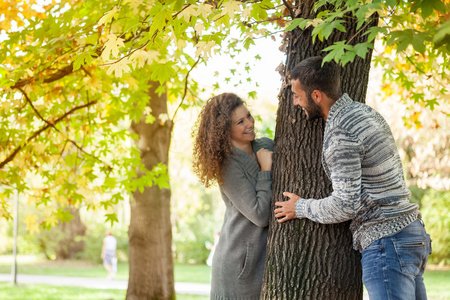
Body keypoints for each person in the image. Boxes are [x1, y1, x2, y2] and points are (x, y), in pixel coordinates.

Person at [274, 56, 432, 300]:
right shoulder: (364, 112)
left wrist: (301, 207)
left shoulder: (341, 133)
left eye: (297, 94)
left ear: (316, 96)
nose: (294, 101)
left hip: (387, 240)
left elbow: (346, 204)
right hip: (410, 234)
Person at [192, 92, 273, 299]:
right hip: (238, 266)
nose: (249, 123)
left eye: (248, 116)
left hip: (261, 261)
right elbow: (259, 215)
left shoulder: (266, 146)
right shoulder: (227, 167)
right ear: (224, 130)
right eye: (240, 122)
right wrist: (265, 171)